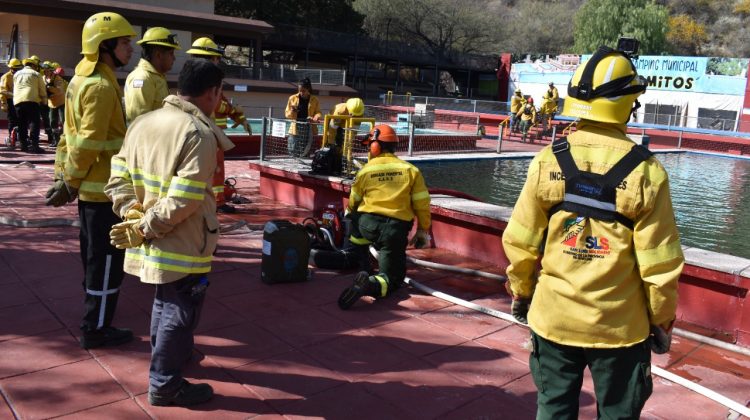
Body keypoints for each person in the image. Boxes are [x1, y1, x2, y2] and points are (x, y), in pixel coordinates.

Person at [501, 44, 684, 419]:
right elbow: (660, 267)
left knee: (553, 408)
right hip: (619, 329)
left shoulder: (548, 160)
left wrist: (522, 293)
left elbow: (520, 242)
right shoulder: (648, 173)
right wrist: (661, 321)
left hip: (553, 319)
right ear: (628, 104)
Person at [105, 58, 231, 407]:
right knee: (181, 309)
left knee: (166, 302)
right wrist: (145, 228)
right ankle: (165, 383)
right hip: (182, 239)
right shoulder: (197, 133)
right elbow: (185, 198)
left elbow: (118, 174)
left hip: (151, 233)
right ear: (212, 92)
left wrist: (131, 213)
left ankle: (173, 358)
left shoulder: (142, 123)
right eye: (220, 93)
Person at [45, 11, 136, 349]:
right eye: (125, 42)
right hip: (103, 194)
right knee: (108, 263)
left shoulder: (80, 80)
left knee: (94, 260)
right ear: (105, 45)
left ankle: (95, 316)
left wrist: (64, 177)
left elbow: (67, 138)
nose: (130, 48)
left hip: (89, 193)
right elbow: (88, 141)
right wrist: (69, 181)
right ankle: (96, 328)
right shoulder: (99, 86)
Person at [338, 124, 431, 310]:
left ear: (375, 146)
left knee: (352, 218)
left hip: (367, 226)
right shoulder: (411, 170)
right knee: (393, 278)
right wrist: (422, 230)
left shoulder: (365, 170)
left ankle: (362, 264)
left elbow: (353, 202)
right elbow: (422, 204)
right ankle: (372, 284)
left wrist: (351, 218)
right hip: (394, 231)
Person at [186, 37, 246, 213]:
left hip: (199, 131)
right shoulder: (209, 78)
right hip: (211, 133)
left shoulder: (190, 76)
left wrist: (235, 114)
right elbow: (219, 103)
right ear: (209, 58)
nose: (218, 61)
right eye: (216, 57)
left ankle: (205, 200)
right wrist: (234, 111)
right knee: (216, 169)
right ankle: (218, 202)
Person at [125, 26, 180, 123]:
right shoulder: (142, 79)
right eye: (171, 53)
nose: (174, 58)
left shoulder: (156, 77)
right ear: (158, 55)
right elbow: (139, 122)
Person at [13, 56, 46, 153]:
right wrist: (44, 101)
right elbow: (42, 89)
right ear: (32, 65)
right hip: (32, 100)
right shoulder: (36, 74)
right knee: (34, 122)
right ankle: (34, 145)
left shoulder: (17, 74)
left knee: (21, 123)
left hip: (18, 101)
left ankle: (23, 145)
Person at [285, 77, 322, 157]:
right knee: (293, 149)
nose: (301, 93)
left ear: (308, 89)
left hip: (309, 128)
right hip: (295, 128)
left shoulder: (314, 99)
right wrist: (292, 111)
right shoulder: (292, 98)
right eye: (300, 90)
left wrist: (316, 117)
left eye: (304, 91)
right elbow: (287, 114)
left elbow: (318, 112)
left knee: (306, 150)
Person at [0, 58, 23, 145]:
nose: (16, 70)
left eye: (18, 69)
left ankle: (21, 137)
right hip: (11, 101)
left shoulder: (21, 76)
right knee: (12, 120)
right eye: (15, 69)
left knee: (21, 120)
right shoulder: (5, 77)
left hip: (21, 100)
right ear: (11, 68)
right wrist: (3, 103)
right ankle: (12, 137)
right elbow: (2, 91)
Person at [45, 64, 68, 147]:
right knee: (52, 122)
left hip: (61, 102)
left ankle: (65, 139)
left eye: (47, 71)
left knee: (63, 121)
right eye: (44, 71)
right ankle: (56, 140)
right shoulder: (43, 78)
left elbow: (59, 90)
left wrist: (48, 88)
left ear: (51, 71)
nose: (45, 72)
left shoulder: (58, 79)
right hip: (52, 103)